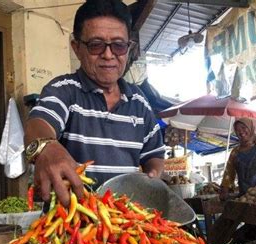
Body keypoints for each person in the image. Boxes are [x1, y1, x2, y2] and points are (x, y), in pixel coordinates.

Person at [24, 0, 165, 207]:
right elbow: (38, 124)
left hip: (123, 227)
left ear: (129, 48)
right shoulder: (65, 90)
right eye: (96, 45)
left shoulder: (140, 102)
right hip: (71, 228)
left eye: (118, 45)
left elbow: (155, 155)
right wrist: (46, 146)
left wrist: (152, 176)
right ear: (77, 48)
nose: (108, 55)